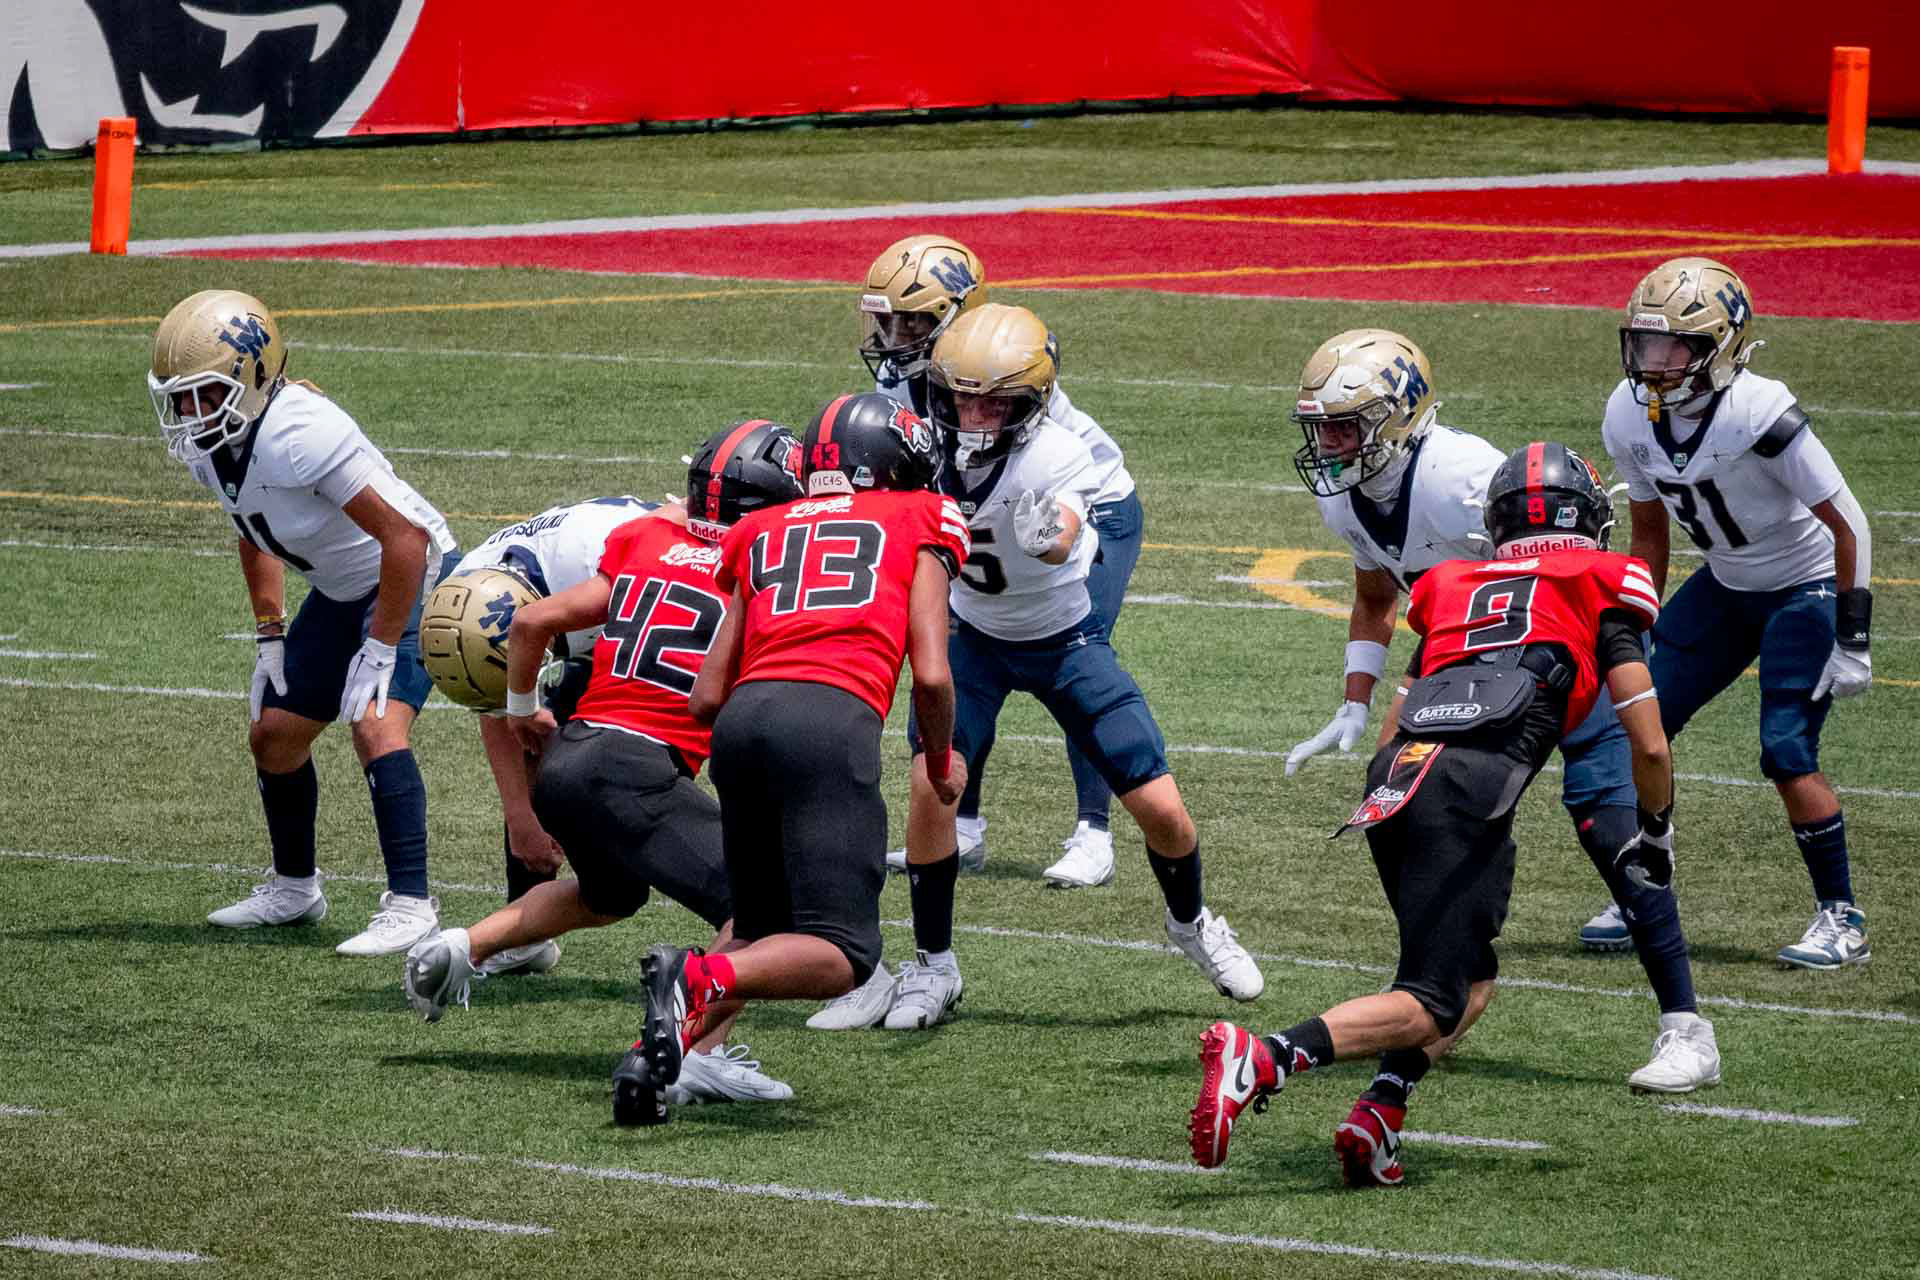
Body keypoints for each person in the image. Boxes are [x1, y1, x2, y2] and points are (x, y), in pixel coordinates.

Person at [1192, 443, 1682, 1187]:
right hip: (1465, 792)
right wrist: (1656, 832)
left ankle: (1380, 1113)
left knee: (1470, 977)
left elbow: (1400, 718)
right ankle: (1265, 1057)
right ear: (1588, 522)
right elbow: (1647, 744)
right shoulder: (1603, 579)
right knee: (1430, 1001)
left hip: (1396, 783)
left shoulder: (1453, 584)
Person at [1281, 329, 1713, 1092]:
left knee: (1615, 830)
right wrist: (1356, 700)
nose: (1330, 446)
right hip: (1466, 683)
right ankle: (1427, 994)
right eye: (1324, 429)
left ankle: (1685, 1027)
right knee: (1424, 823)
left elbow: (1563, 541)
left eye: (1346, 427)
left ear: (1399, 417)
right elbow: (1376, 596)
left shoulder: (1461, 477)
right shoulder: (1347, 495)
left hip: (1559, 661)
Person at [878, 303, 1261, 1034]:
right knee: (932, 785)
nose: (975, 416)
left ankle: (1191, 923)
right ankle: (933, 965)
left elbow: (1065, 534)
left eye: (995, 402)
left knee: (1164, 811)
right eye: (962, 398)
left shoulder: (1056, 451)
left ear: (1032, 401)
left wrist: (1048, 533)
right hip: (973, 638)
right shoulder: (922, 444)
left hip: (1065, 642)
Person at [404, 422, 804, 1115]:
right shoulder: (761, 575)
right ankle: (691, 1054)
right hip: (635, 770)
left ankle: (463, 946)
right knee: (764, 907)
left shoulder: (643, 539)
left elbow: (530, 624)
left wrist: (523, 710)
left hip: (571, 756)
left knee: (608, 896)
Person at [628, 392, 970, 1103]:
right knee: (843, 953)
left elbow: (706, 695)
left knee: (757, 929)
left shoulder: (760, 526)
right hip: (828, 720)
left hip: (741, 724)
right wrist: (940, 765)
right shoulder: (921, 515)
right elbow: (934, 675)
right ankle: (695, 977)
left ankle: (650, 1064)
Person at [149, 289, 460, 956]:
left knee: (375, 724)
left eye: (204, 394)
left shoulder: (299, 431)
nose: (190, 412)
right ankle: (295, 889)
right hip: (344, 588)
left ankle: (412, 905)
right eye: (180, 397)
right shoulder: (215, 443)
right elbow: (251, 526)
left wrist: (380, 649)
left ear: (253, 377)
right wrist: (270, 632)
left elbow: (405, 539)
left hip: (413, 576)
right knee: (275, 736)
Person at [1604, 257, 1875, 969]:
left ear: (1722, 347)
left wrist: (1853, 636)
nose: (1655, 363)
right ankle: (1646, 881)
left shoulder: (1760, 412)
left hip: (1804, 586)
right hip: (1726, 583)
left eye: (1675, 347)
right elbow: (1650, 533)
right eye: (1646, 344)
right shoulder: (1626, 412)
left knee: (1785, 750)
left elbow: (1849, 522)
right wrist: (1634, 618)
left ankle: (1841, 916)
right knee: (1642, 725)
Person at [859, 233, 1144, 888]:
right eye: (889, 321)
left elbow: (1039, 482)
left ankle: (1094, 832)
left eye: (913, 323)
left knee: (1077, 655)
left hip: (1083, 508)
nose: (895, 337)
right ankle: (961, 825)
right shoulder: (907, 377)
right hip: (988, 509)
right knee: (966, 652)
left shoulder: (1005, 375)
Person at [419, 494, 660, 977]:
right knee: (539, 734)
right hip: (578, 603)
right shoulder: (464, 593)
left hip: (647, 590)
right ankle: (524, 933)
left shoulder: (606, 561)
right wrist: (520, 816)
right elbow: (497, 706)